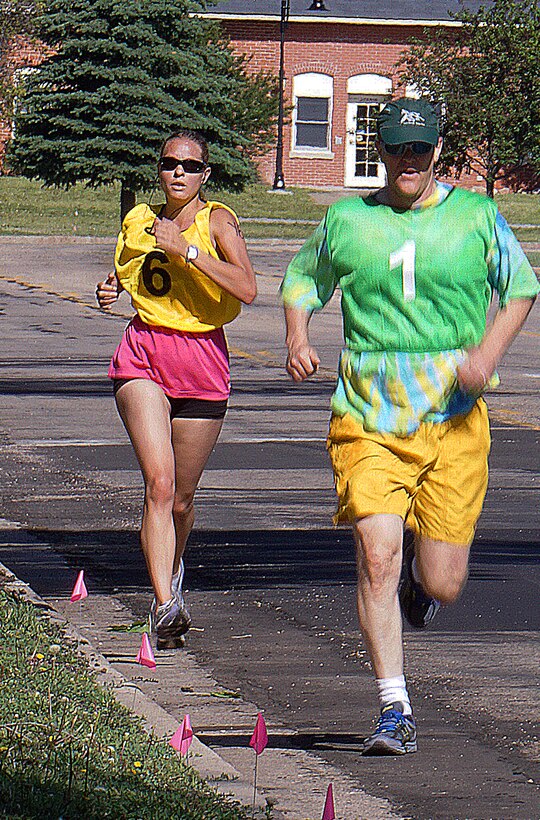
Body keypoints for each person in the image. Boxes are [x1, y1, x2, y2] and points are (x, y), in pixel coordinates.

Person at [281, 98, 539, 755]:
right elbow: (302, 280)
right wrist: (296, 334)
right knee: (375, 553)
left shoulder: (476, 216)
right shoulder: (347, 220)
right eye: (397, 149)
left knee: (446, 583)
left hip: (453, 422)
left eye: (419, 151)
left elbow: (521, 289)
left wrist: (487, 354)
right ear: (381, 150)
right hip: (368, 418)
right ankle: (394, 707)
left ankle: (418, 585)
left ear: (438, 152)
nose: (408, 162)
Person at [97, 129, 256, 650]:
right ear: (160, 170)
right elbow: (135, 268)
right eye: (169, 164)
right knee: (159, 485)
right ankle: (165, 602)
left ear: (205, 174)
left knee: (183, 500)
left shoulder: (219, 222)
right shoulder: (141, 221)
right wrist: (112, 286)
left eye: (189, 165)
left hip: (202, 361)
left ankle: (173, 571)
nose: (178, 173)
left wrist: (187, 250)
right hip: (143, 355)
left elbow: (247, 288)